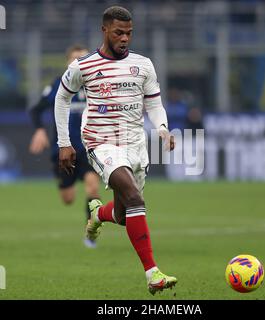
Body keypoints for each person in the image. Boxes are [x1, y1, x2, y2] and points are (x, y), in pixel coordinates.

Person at [54, 6, 177, 295]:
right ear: (105, 30)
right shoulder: (82, 66)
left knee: (124, 215)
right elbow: (61, 99)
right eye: (119, 32)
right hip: (101, 142)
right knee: (135, 198)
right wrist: (64, 142)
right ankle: (152, 273)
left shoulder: (143, 65)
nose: (125, 38)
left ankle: (98, 215)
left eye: (129, 33)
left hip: (135, 145)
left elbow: (154, 103)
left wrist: (162, 128)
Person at [28, 45, 101, 248]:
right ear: (68, 63)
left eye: (83, 58)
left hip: (89, 149)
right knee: (67, 198)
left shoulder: (95, 86)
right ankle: (70, 187)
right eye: (75, 59)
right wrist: (40, 130)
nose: (79, 62)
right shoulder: (57, 86)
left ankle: (90, 233)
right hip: (63, 151)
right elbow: (35, 110)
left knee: (93, 187)